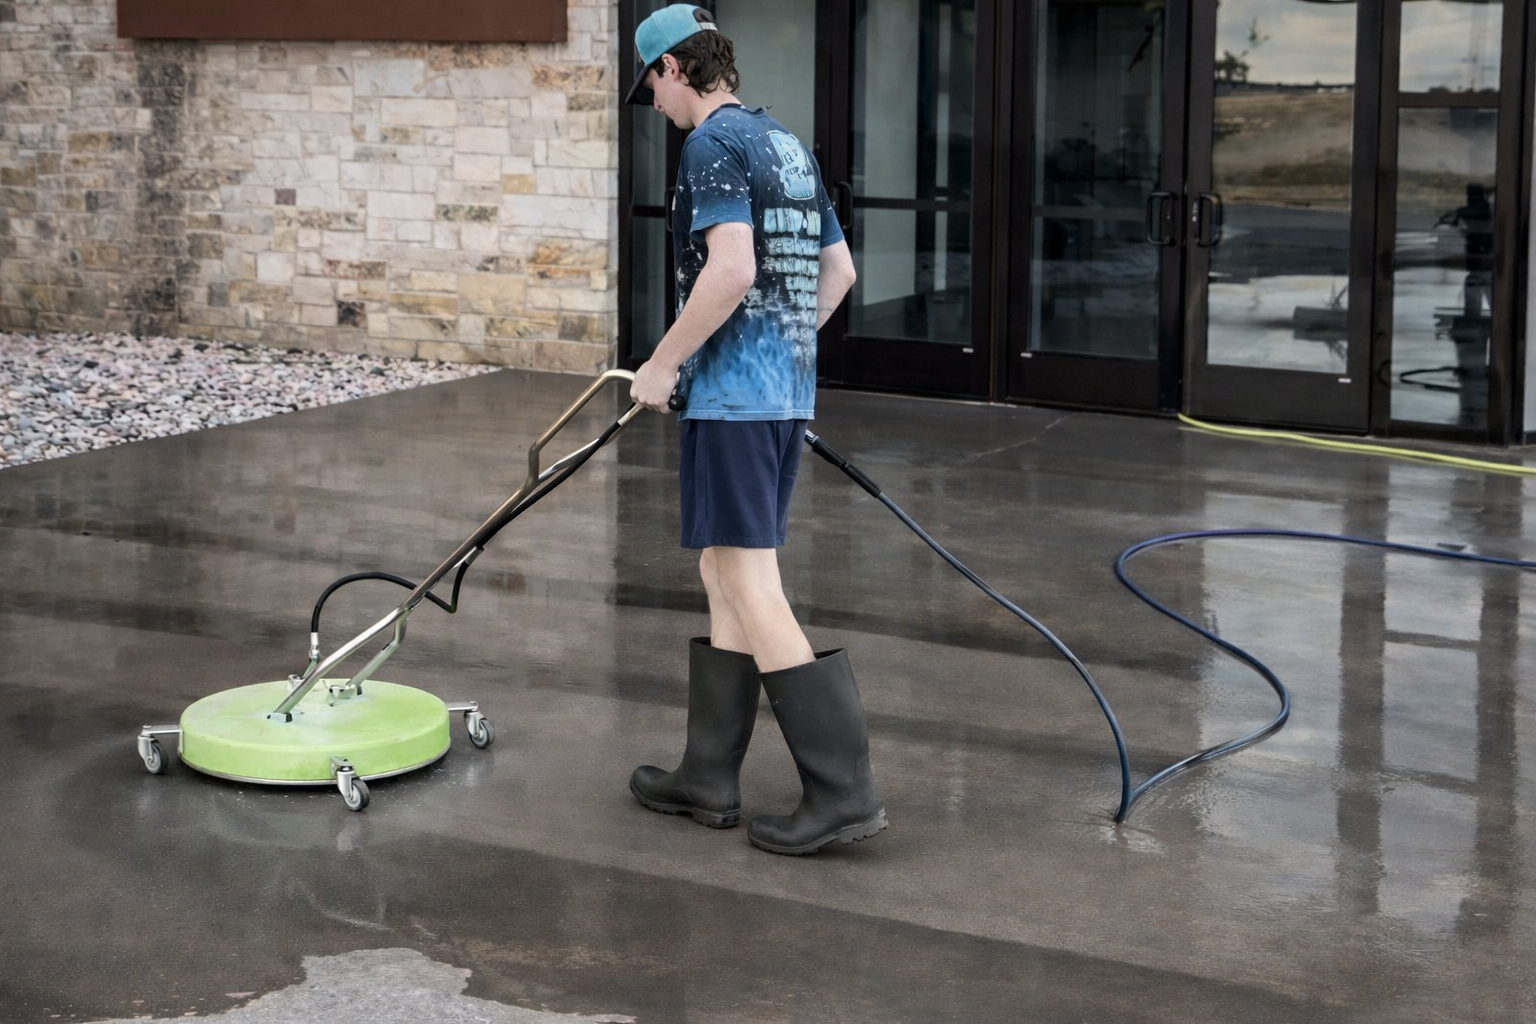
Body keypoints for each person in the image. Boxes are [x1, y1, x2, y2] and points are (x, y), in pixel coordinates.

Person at [622, 4, 886, 855]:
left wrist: (663, 365)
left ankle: (844, 792)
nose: (654, 105)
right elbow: (838, 269)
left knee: (747, 574)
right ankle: (708, 776)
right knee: (722, 566)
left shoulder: (710, 146)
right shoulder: (786, 145)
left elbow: (732, 268)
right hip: (778, 394)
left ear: (671, 70)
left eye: (651, 87)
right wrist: (783, 347)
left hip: (734, 401)